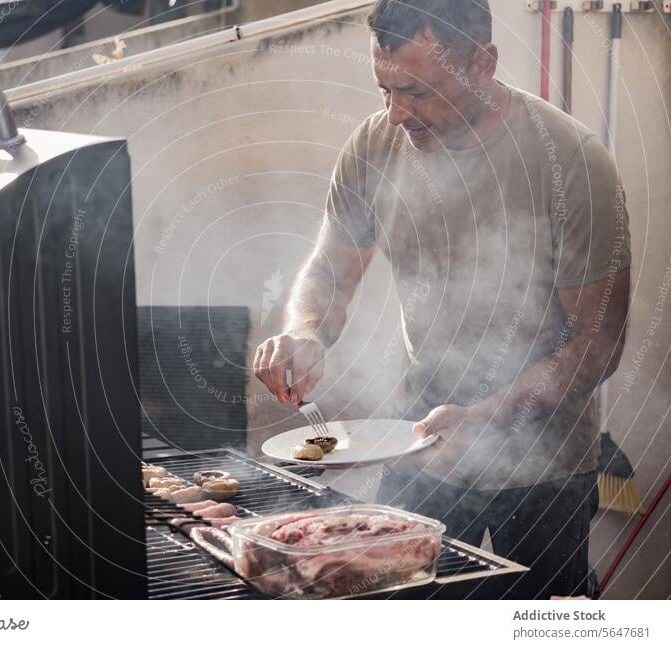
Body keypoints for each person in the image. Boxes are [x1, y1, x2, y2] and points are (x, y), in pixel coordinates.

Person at [253, 0, 630, 599]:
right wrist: (305, 331)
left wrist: (484, 420)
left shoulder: (571, 162)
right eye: (384, 88)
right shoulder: (376, 144)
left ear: (482, 64)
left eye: (418, 92)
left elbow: (597, 342)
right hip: (416, 448)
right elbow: (330, 266)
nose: (396, 112)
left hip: (542, 469)